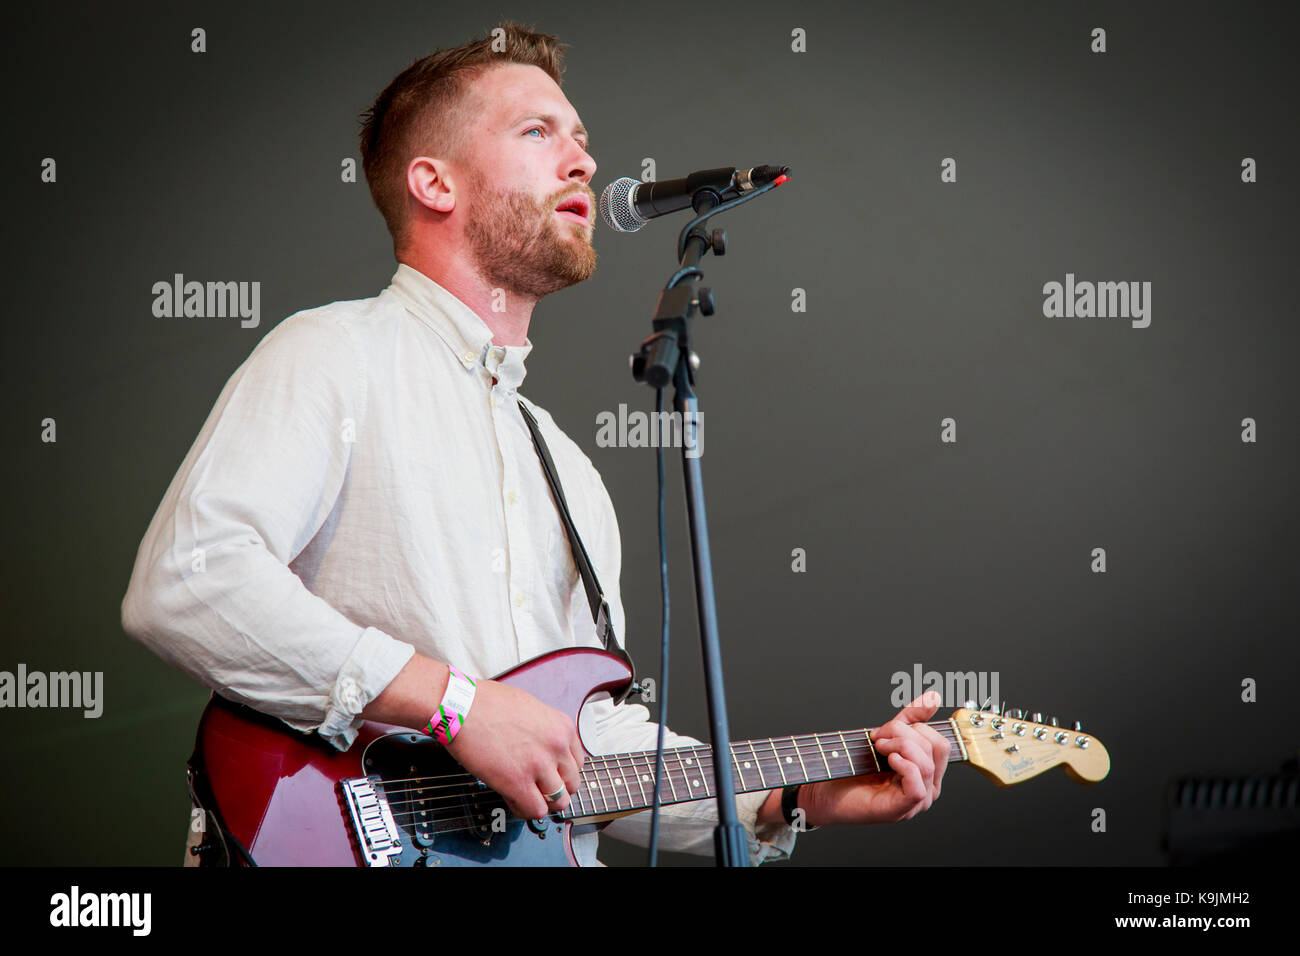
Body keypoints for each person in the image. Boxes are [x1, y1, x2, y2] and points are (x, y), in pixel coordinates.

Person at [121, 21, 950, 866]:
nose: (586, 161)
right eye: (537, 132)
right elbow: (189, 581)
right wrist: (456, 707)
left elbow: (585, 743)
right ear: (434, 183)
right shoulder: (334, 353)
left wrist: (802, 796)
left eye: (582, 139)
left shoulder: (569, 472)